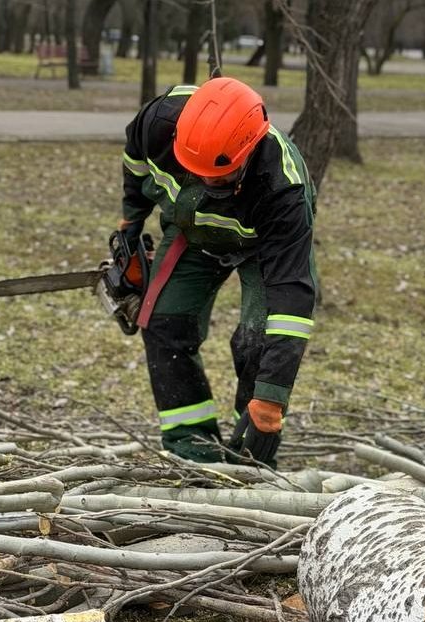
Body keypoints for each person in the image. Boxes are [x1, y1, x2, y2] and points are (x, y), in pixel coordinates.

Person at [119, 76, 317, 466]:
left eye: (221, 175)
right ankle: (193, 448)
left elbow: (291, 300)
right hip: (191, 230)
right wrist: (131, 224)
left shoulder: (283, 189)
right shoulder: (157, 122)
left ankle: (251, 455)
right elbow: (135, 168)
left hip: (260, 247)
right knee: (162, 322)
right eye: (199, 170)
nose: (210, 181)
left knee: (255, 340)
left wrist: (271, 399)